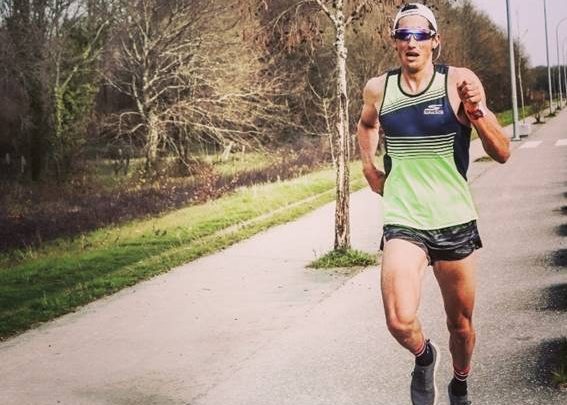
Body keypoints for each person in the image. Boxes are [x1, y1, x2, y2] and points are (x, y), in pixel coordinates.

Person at [356, 3, 510, 405]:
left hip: (454, 219)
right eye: (403, 34)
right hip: (403, 219)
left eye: (420, 34)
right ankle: (425, 358)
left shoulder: (457, 82)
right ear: (394, 42)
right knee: (399, 319)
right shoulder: (379, 88)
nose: (412, 41)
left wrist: (475, 111)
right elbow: (367, 123)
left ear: (435, 41)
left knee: (460, 325)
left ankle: (460, 381)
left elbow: (502, 152)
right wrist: (369, 169)